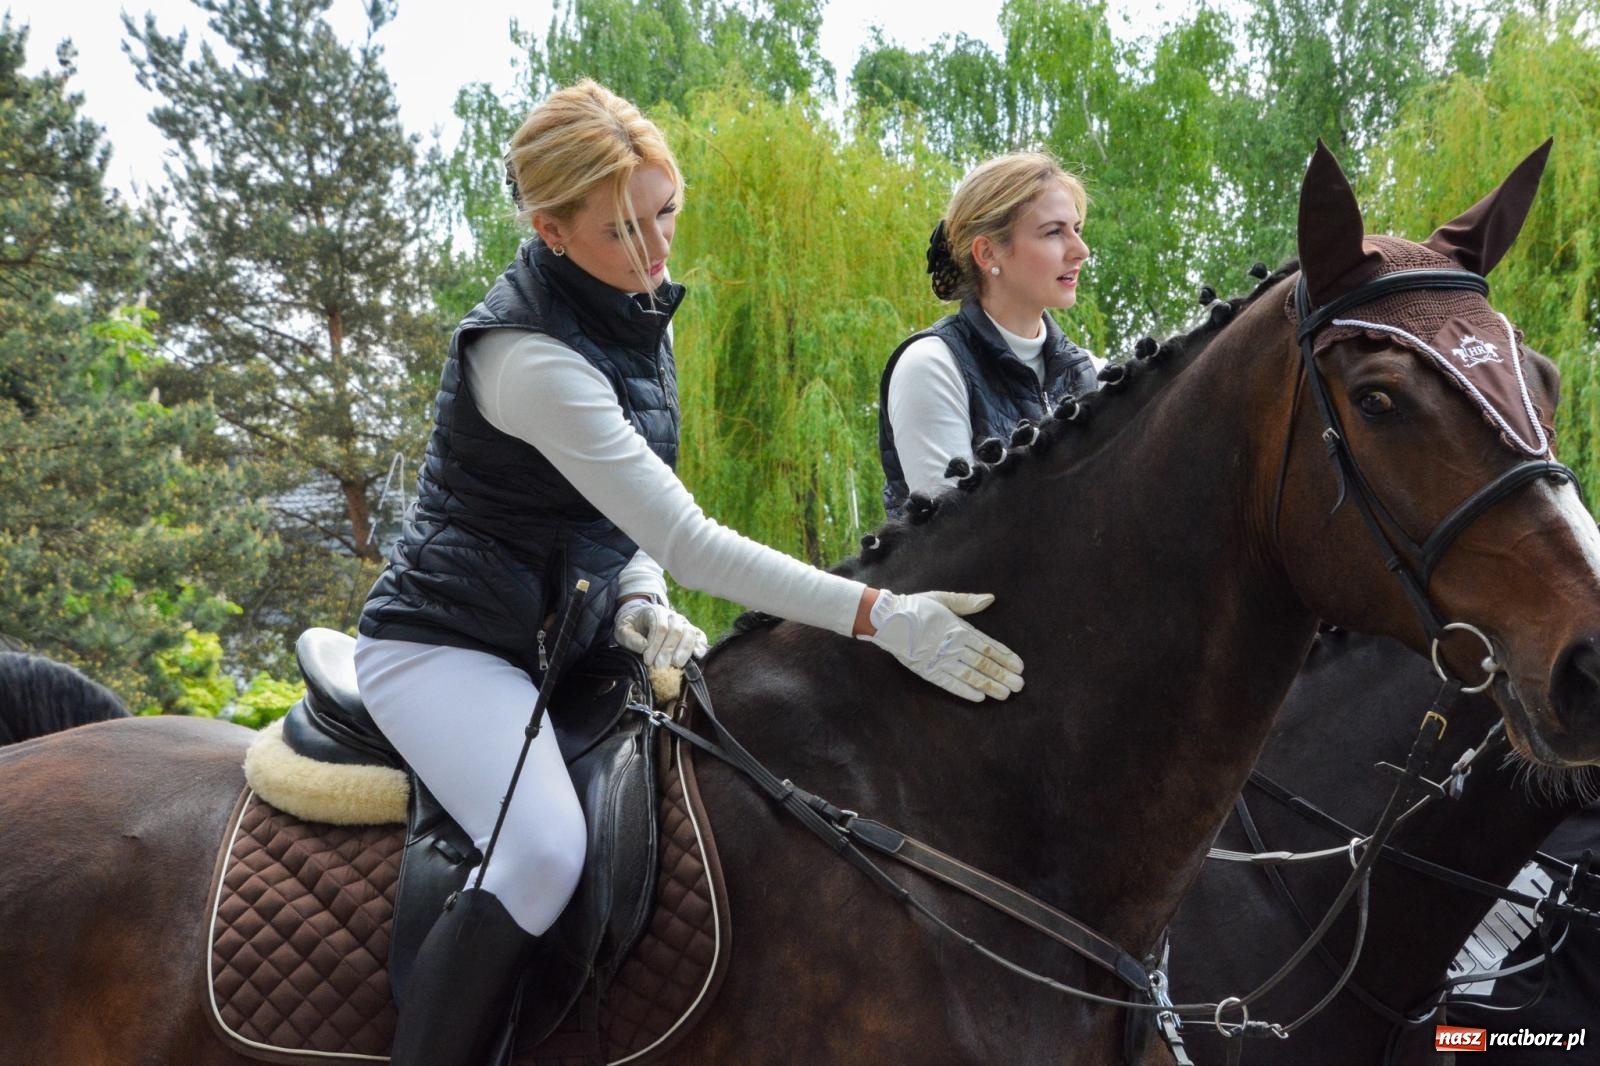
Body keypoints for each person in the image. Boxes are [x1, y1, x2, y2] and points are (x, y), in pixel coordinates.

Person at [353, 79, 1025, 1066]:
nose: (659, 246)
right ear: (549, 229)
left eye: (666, 210)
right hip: (446, 650)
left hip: (563, 647)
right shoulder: (527, 357)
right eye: (626, 228)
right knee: (541, 850)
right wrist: (885, 615)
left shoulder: (633, 309)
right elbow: (689, 537)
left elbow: (619, 523)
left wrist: (636, 597)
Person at [879, 152, 1101, 519]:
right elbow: (954, 545)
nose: (1080, 250)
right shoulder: (931, 368)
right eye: (1054, 232)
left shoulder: (1091, 372)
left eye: (1076, 229)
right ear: (987, 252)